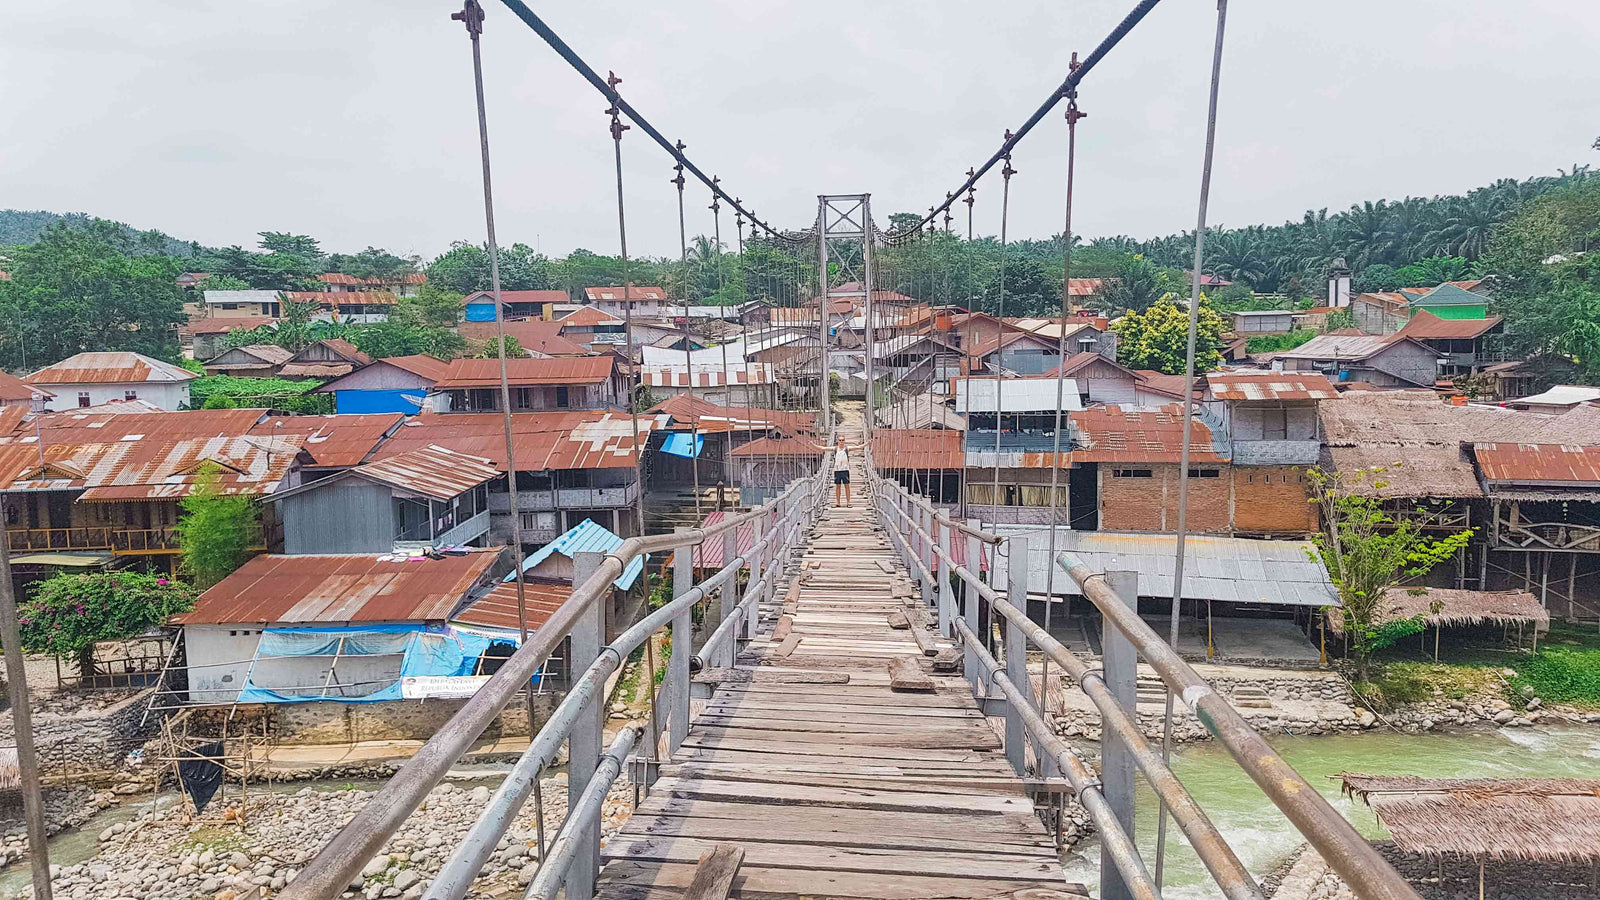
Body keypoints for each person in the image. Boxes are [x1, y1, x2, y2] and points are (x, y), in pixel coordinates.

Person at [832, 436, 863, 507]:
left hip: (845, 470)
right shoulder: (835, 449)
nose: (841, 441)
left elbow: (858, 447)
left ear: (844, 441)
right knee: (838, 486)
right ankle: (838, 502)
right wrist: (813, 445)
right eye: (840, 440)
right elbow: (823, 448)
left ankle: (848, 502)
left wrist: (867, 444)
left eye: (842, 440)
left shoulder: (847, 448)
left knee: (847, 486)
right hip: (837, 470)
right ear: (838, 441)